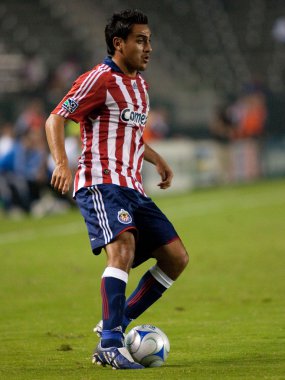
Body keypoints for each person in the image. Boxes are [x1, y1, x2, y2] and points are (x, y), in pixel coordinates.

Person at [45, 9, 189, 370]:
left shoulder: (139, 85)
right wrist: (62, 162)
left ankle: (117, 322)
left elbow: (130, 134)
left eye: (149, 40)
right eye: (141, 40)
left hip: (132, 186)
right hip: (100, 182)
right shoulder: (99, 79)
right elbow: (56, 117)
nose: (148, 47)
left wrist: (155, 158)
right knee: (122, 248)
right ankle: (110, 344)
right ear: (118, 43)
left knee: (176, 258)